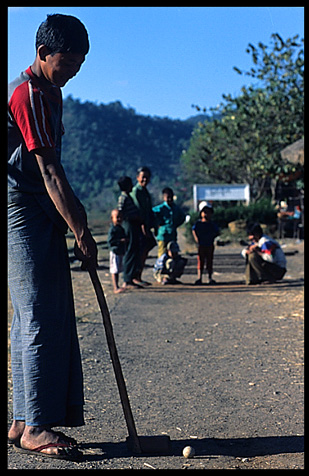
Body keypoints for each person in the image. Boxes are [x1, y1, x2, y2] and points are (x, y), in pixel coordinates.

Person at [8, 14, 97, 460]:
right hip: (20, 208)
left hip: (41, 209)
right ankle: (35, 427)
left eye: (79, 64)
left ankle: (24, 417)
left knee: (35, 314)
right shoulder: (26, 94)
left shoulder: (52, 92)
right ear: (43, 54)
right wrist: (81, 228)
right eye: (67, 63)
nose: (73, 72)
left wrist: (72, 222)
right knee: (37, 314)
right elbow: (47, 170)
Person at [130, 166, 156, 284]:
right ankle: (134, 276)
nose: (145, 180)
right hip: (138, 226)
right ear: (137, 178)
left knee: (145, 250)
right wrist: (143, 226)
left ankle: (138, 275)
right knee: (138, 251)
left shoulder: (145, 192)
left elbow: (149, 210)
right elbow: (139, 210)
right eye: (143, 177)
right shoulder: (136, 191)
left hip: (146, 225)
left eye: (147, 178)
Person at [117, 176, 143, 289]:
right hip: (129, 225)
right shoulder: (123, 198)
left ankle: (131, 277)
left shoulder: (128, 197)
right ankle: (127, 280)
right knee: (130, 251)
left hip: (133, 225)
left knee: (135, 251)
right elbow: (120, 212)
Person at [152, 187, 186, 257]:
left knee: (173, 254)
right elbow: (152, 215)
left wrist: (176, 224)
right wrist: (157, 225)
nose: (169, 199)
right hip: (163, 235)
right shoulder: (160, 208)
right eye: (167, 197)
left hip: (172, 235)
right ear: (164, 197)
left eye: (171, 197)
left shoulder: (176, 209)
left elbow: (183, 217)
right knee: (162, 255)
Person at [192, 204, 220, 285]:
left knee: (209, 261)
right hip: (201, 245)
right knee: (200, 261)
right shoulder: (199, 224)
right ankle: (199, 278)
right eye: (204, 212)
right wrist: (197, 239)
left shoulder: (212, 224)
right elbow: (194, 230)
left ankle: (209, 278)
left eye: (208, 212)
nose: (206, 214)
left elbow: (217, 232)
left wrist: (213, 237)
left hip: (209, 245)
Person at [107, 209, 127, 293]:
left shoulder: (120, 228)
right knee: (114, 270)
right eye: (117, 217)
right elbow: (110, 241)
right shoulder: (112, 230)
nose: (119, 219)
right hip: (115, 251)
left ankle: (120, 285)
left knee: (119, 268)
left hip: (120, 251)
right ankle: (115, 287)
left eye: (120, 217)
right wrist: (120, 241)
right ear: (112, 218)